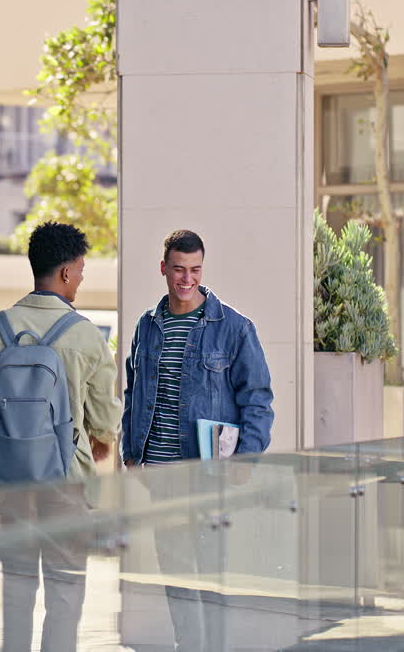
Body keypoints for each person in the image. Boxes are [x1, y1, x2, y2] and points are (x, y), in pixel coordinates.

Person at [0, 221, 121, 652]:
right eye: (80, 269)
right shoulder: (85, 335)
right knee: (65, 590)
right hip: (68, 481)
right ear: (64, 272)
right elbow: (104, 419)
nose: (82, 278)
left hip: (12, 484)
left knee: (17, 588)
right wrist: (99, 439)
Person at [121, 229, 274, 650]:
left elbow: (258, 399)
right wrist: (131, 452)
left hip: (208, 474)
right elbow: (134, 391)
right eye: (178, 270)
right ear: (163, 269)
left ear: (201, 270)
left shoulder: (235, 328)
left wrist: (245, 460)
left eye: (194, 270)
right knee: (175, 576)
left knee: (210, 575)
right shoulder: (148, 326)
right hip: (161, 473)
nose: (186, 279)